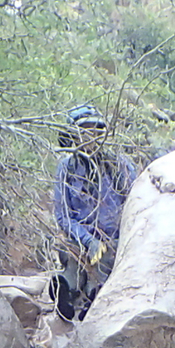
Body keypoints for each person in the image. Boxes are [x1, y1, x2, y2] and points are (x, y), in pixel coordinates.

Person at [50, 106, 138, 323]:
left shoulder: (120, 165)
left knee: (105, 261)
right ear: (73, 136)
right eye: (83, 131)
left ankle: (94, 295)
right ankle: (66, 291)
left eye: (94, 131)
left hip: (114, 239)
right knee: (71, 255)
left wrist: (114, 240)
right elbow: (63, 216)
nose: (90, 137)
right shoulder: (66, 168)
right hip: (80, 237)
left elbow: (135, 205)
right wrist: (89, 241)